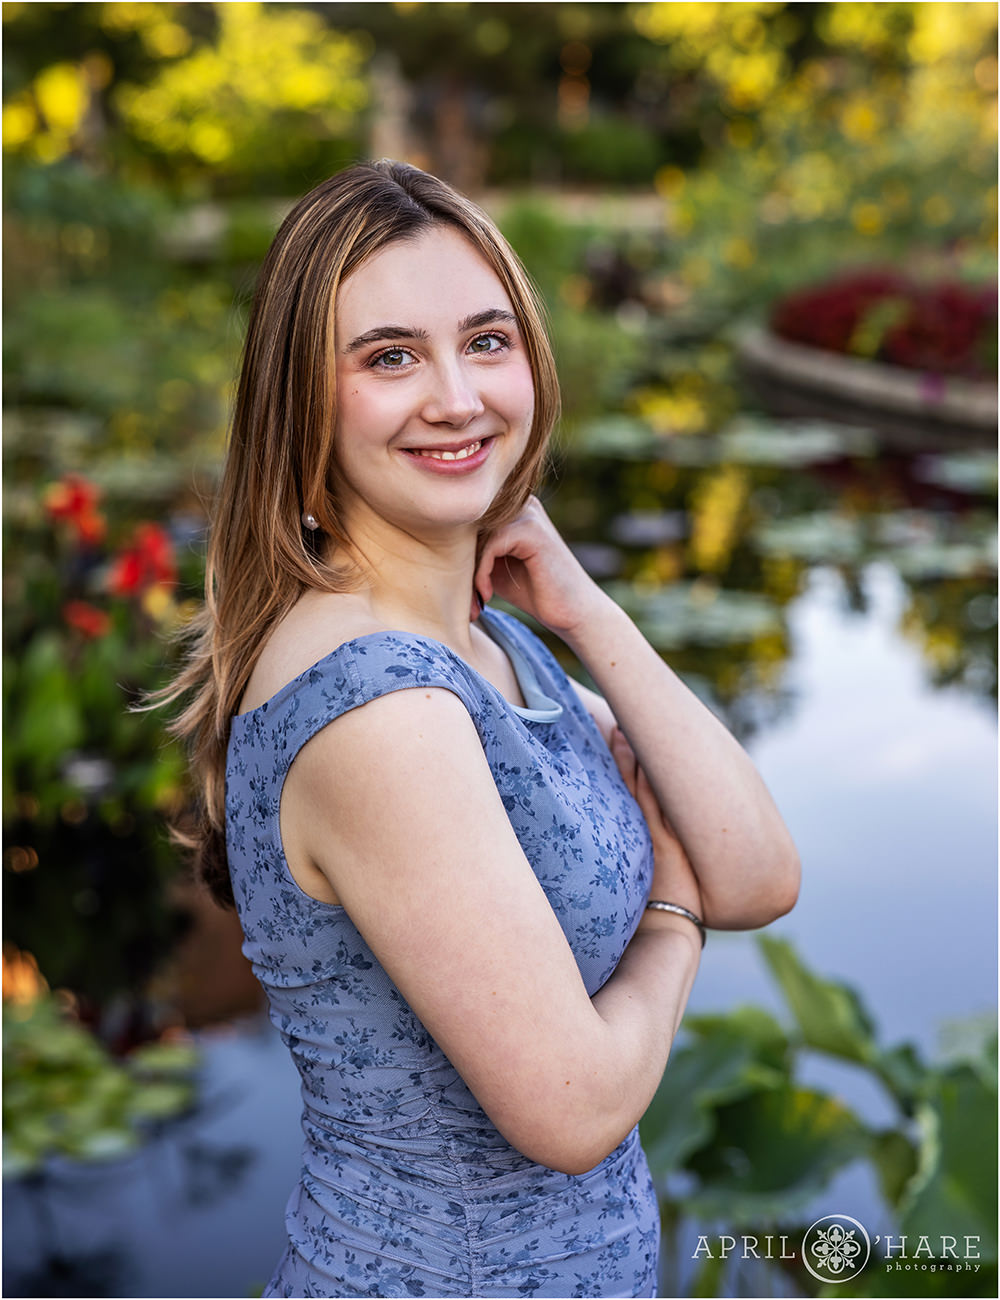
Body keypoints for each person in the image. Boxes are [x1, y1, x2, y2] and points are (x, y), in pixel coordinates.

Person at [164, 159, 800, 1299]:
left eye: (488, 340)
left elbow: (757, 870)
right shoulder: (377, 705)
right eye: (390, 356)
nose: (457, 396)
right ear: (301, 398)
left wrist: (585, 607)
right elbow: (571, 1108)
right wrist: (671, 912)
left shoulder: (494, 648)